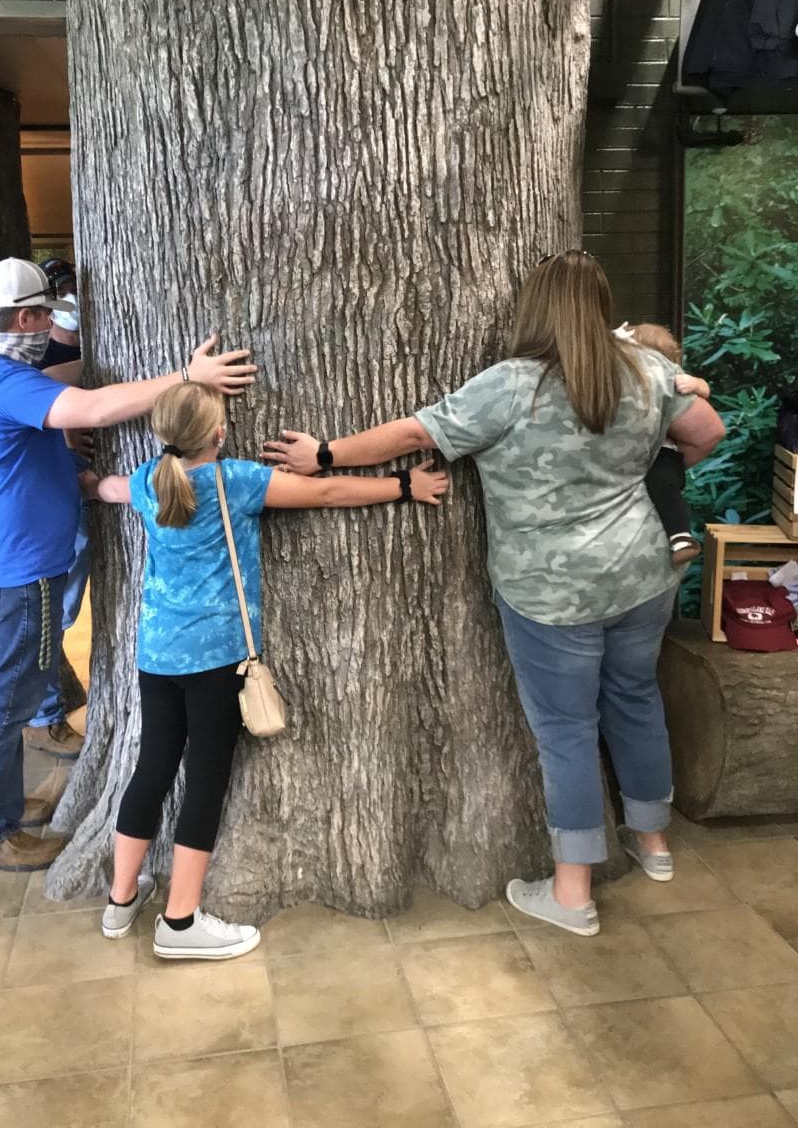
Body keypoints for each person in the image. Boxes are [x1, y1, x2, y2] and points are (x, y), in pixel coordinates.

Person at [263, 251, 725, 937]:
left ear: (532, 308)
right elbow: (708, 432)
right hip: (641, 573)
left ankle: (573, 894)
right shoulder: (648, 370)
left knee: (566, 730)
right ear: (601, 307)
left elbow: (417, 433)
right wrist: (640, 468)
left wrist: (325, 454)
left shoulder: (511, 386)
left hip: (549, 590)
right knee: (634, 698)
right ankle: (652, 843)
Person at [86, 380, 448, 957]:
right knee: (204, 779)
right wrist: (404, 485)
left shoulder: (145, 482)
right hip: (216, 658)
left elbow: (107, 488)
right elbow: (326, 493)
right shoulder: (237, 482)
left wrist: (86, 483)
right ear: (220, 434)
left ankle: (120, 899)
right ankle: (179, 923)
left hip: (156, 654)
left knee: (152, 768)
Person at [0, 257, 256, 873]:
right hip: (19, 566)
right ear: (28, 317)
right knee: (3, 699)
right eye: (49, 315)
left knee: (12, 690)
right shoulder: (5, 382)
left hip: (5, 556)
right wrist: (186, 376)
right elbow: (91, 408)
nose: (52, 326)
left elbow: (66, 373)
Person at [24, 257, 90, 759]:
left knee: (60, 607)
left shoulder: (61, 351)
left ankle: (46, 711)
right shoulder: (27, 361)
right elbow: (59, 390)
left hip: (79, 484)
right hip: (54, 490)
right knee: (54, 607)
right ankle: (43, 718)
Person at [617, 322, 711, 567]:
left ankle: (681, 538)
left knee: (664, 487)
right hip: (636, 452)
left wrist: (694, 384)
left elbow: (704, 388)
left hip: (663, 452)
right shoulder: (627, 378)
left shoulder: (671, 375)